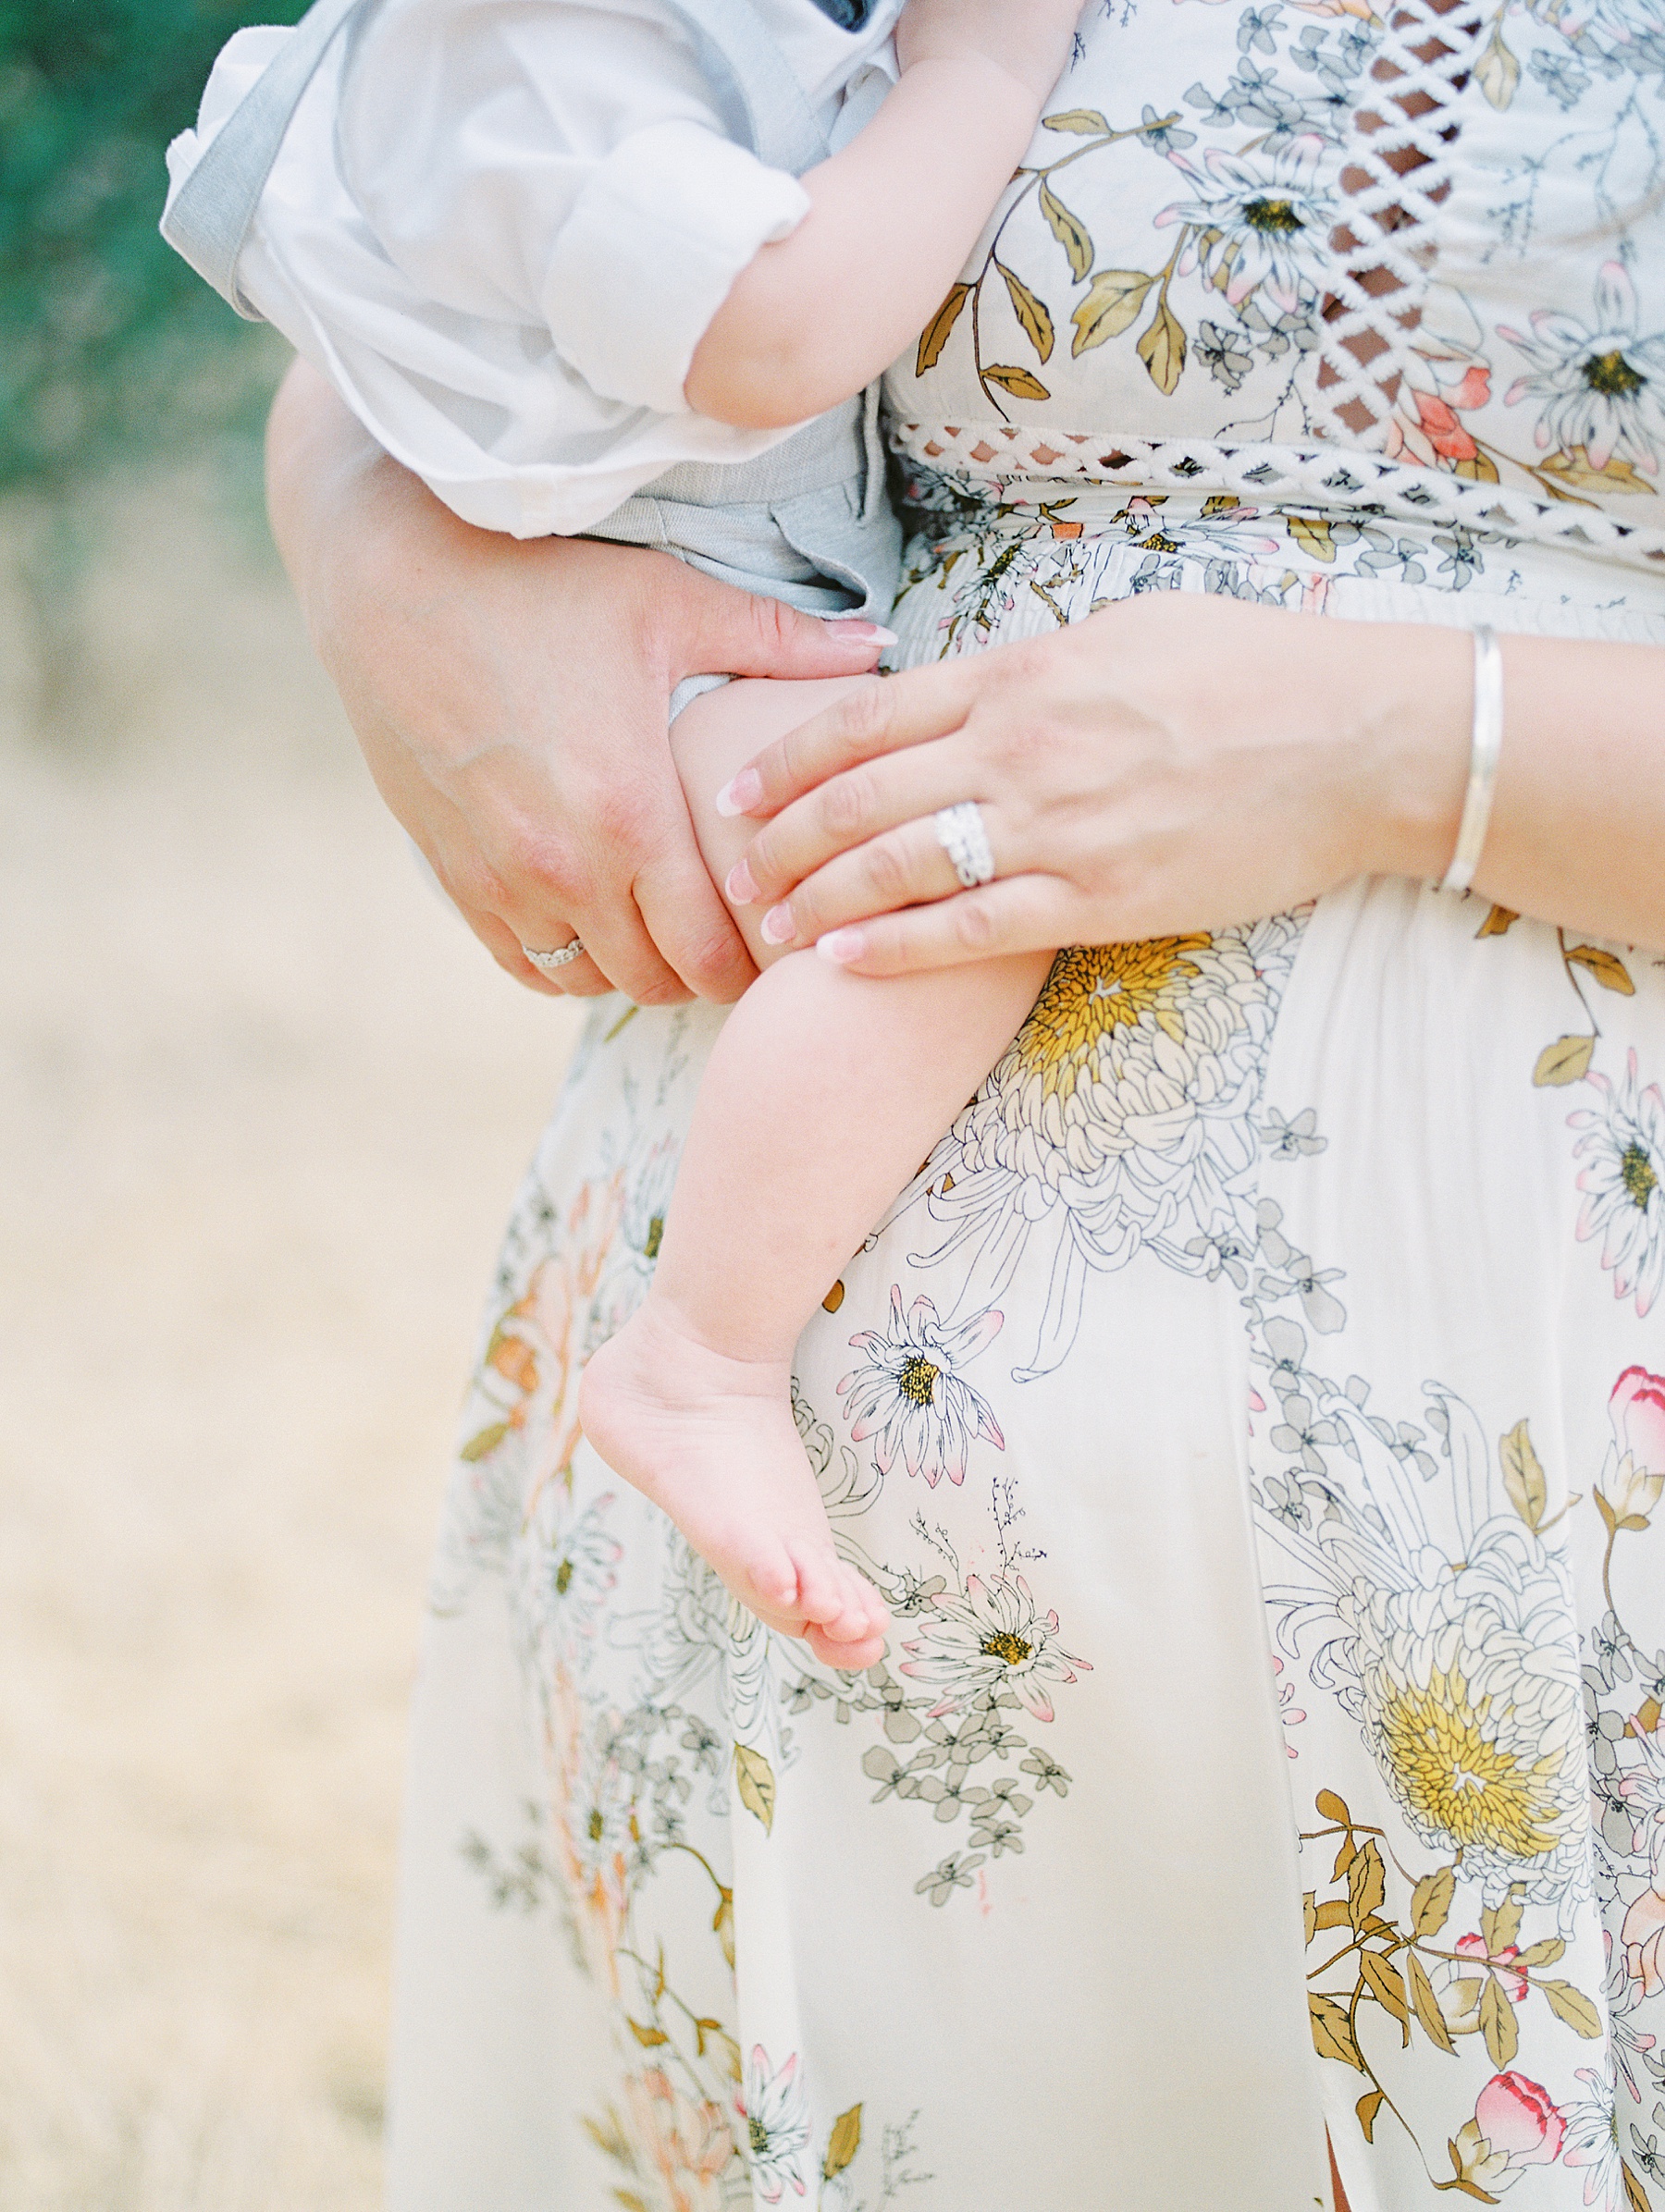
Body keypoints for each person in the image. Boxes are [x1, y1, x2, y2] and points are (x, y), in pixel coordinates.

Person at [262, 0, 1665, 2203]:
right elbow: (436, 209)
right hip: (784, 1486)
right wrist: (377, 557)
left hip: (1565, 1513)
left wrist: (1404, 742)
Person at [163, 0, 1093, 1663]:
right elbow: (776, 328)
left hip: (728, 585)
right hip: (685, 623)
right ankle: (703, 1360)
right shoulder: (531, 58)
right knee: (948, 864)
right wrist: (981, 73)